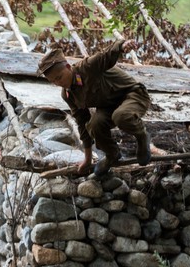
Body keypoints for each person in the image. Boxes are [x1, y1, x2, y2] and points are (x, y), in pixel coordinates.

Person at [38, 39, 151, 176]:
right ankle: (112, 155)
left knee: (121, 116)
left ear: (68, 67)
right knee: (94, 125)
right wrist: (87, 159)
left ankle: (142, 137)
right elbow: (82, 123)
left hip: (133, 94)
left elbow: (106, 55)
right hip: (109, 106)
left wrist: (122, 46)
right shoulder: (68, 95)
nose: (58, 83)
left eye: (59, 77)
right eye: (53, 81)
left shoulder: (87, 67)